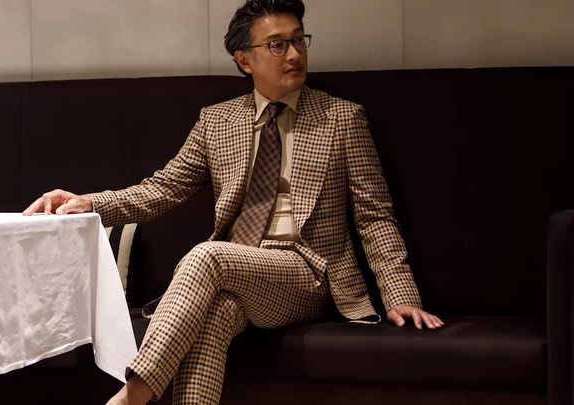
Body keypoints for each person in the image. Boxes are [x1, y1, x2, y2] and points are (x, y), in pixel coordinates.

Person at [24, 0, 443, 403]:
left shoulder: (342, 118)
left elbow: (375, 217)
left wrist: (399, 295)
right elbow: (164, 188)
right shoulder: (218, 121)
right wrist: (90, 202)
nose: (293, 54)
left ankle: (130, 397)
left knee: (207, 256)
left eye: (299, 40)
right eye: (276, 45)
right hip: (239, 271)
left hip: (308, 273)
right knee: (215, 315)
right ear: (245, 60)